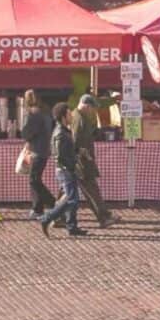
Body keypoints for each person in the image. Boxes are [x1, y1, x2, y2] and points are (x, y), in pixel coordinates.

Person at [70, 94, 113, 228]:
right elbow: (75, 141)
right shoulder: (79, 119)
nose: (94, 111)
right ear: (87, 106)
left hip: (79, 159)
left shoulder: (78, 116)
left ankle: (57, 216)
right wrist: (83, 155)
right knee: (91, 189)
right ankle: (103, 217)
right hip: (82, 160)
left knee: (67, 192)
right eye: (93, 108)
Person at [18, 90, 57, 217]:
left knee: (34, 180)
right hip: (45, 149)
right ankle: (37, 208)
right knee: (35, 179)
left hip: (37, 150)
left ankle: (54, 204)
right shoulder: (46, 112)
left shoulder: (34, 115)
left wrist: (23, 131)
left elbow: (27, 133)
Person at [37, 143, 85, 239]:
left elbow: (66, 150)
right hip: (66, 170)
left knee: (72, 200)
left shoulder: (64, 132)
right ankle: (47, 218)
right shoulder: (61, 133)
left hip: (67, 169)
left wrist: (77, 150)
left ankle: (72, 226)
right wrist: (71, 166)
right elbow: (60, 154)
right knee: (71, 199)